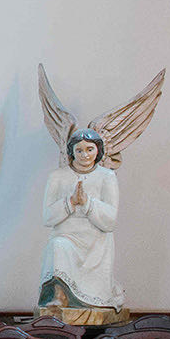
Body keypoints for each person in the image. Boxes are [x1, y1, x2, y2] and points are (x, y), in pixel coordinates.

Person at [39, 129, 124, 312]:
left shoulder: (107, 177)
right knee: (57, 245)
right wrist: (70, 202)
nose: (85, 155)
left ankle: (96, 296)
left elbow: (110, 221)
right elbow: (47, 217)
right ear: (72, 152)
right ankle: (59, 296)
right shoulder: (57, 176)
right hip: (67, 235)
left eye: (90, 149)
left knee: (82, 245)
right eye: (79, 150)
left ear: (98, 151)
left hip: (96, 241)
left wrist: (87, 203)